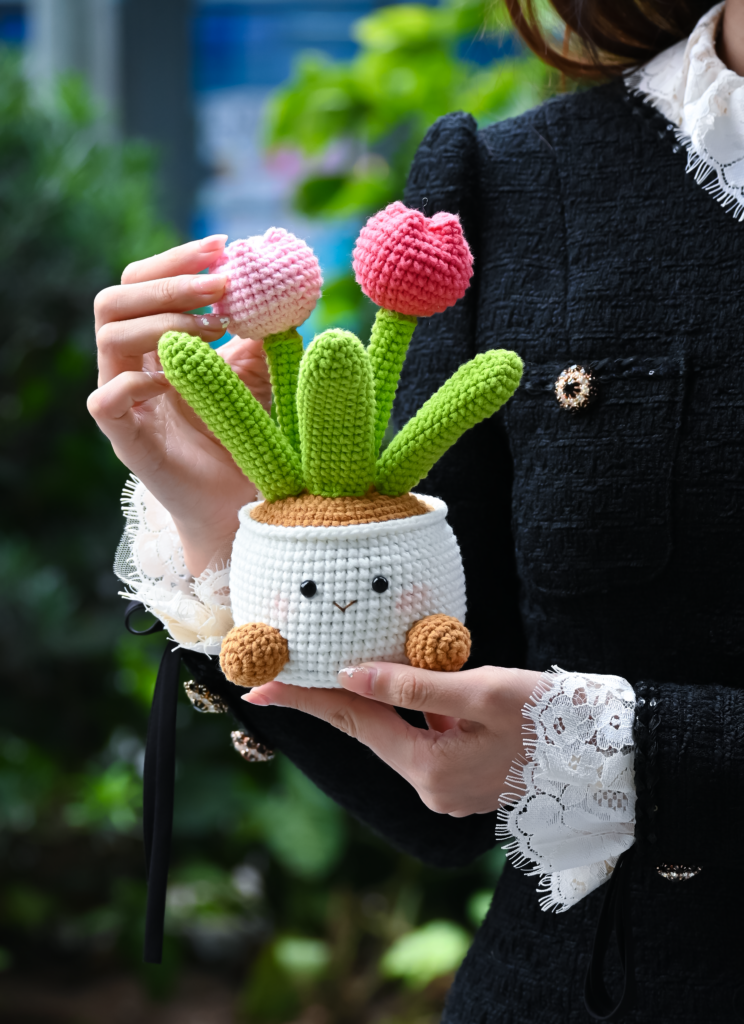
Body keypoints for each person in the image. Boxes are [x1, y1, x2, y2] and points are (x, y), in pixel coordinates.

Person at [88, 1, 744, 1019]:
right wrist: (237, 531)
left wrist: (625, 749)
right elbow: (438, 787)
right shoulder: (516, 182)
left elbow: (559, 748)